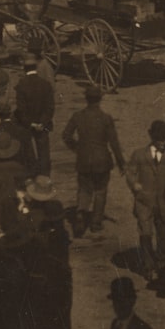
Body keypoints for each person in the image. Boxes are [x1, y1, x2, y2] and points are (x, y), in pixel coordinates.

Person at [61, 84, 126, 236]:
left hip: (84, 159)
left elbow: (66, 136)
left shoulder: (77, 116)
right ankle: (96, 223)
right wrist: (121, 163)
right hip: (102, 160)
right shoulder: (105, 118)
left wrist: (78, 149)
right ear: (100, 99)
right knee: (100, 191)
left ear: (86, 99)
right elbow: (114, 143)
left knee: (84, 189)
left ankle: (81, 212)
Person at [125, 119, 165, 281]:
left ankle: (162, 264)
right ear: (153, 138)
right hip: (144, 202)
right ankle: (148, 266)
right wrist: (134, 184)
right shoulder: (139, 154)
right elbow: (130, 172)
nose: (163, 143)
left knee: (163, 235)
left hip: (164, 202)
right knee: (145, 234)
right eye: (160, 140)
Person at [13, 54, 56, 175]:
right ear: (36, 68)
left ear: (24, 68)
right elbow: (50, 108)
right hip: (43, 124)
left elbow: (21, 109)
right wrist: (42, 122)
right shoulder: (45, 85)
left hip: (27, 125)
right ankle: (45, 177)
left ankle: (31, 175)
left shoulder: (21, 85)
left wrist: (30, 123)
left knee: (28, 150)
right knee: (44, 152)